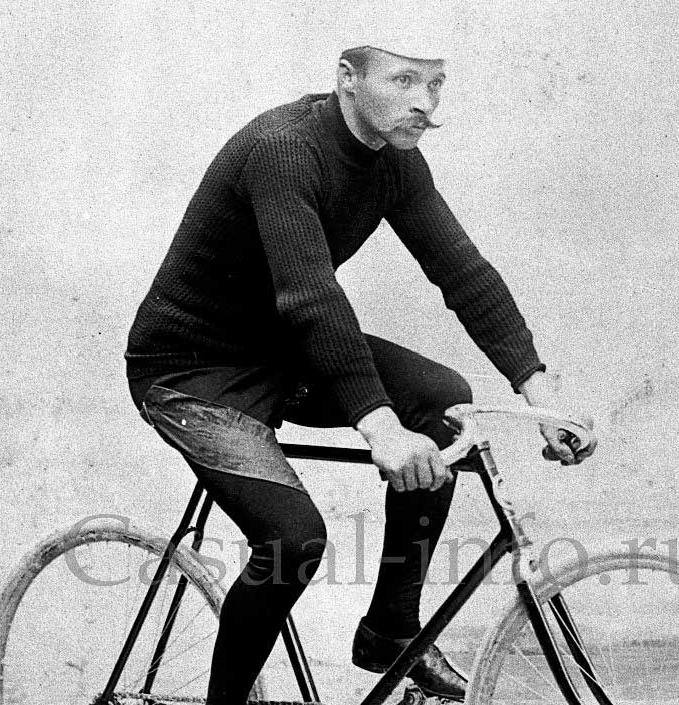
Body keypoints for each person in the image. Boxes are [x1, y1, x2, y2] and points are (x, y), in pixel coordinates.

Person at [125, 37, 595, 705]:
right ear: (348, 77)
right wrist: (380, 427)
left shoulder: (395, 160)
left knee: (441, 402)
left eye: (436, 83)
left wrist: (541, 396)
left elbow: (463, 272)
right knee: (292, 542)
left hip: (280, 349)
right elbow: (310, 298)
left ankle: (390, 633)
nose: (425, 103)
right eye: (404, 80)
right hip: (191, 370)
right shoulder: (283, 150)